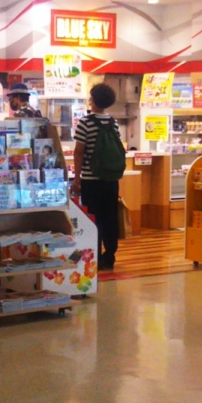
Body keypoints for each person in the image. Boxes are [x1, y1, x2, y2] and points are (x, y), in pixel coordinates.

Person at [71, 82, 124, 271]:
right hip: (111, 180)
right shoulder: (113, 122)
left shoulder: (85, 123)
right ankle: (109, 256)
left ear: (92, 99)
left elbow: (79, 153)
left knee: (94, 218)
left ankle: (94, 255)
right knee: (110, 218)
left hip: (91, 180)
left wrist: (76, 179)